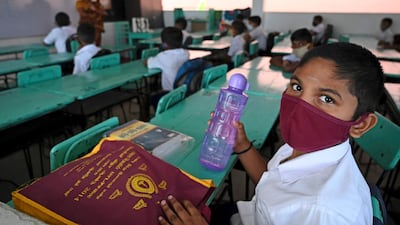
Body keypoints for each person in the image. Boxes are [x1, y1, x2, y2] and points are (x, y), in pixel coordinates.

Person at [157, 42, 384, 225]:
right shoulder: (306, 149)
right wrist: (243, 146)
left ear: (360, 124)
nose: (300, 105)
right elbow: (272, 184)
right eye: (297, 87)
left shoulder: (324, 212)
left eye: (327, 99)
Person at [145, 27, 190, 109]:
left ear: (164, 44)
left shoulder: (163, 56)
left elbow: (147, 63)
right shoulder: (186, 53)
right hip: (185, 91)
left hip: (170, 94)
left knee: (148, 98)